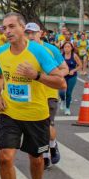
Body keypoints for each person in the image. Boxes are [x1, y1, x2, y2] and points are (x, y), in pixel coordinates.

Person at [0, 13, 65, 179]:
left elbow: (60, 82)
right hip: (9, 113)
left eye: (12, 26)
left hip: (36, 115)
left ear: (23, 28)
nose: (7, 31)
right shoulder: (2, 53)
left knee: (36, 159)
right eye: (4, 28)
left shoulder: (39, 52)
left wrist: (36, 76)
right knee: (5, 157)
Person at [26, 25, 67, 169]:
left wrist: (53, 76)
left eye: (34, 33)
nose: (31, 36)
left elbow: (65, 68)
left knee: (47, 124)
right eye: (28, 33)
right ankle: (48, 150)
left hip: (49, 92)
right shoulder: (22, 50)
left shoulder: (51, 49)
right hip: (30, 94)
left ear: (41, 33)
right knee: (37, 127)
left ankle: (49, 149)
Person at [58, 41, 83, 116]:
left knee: (68, 92)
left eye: (68, 47)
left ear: (71, 48)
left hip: (72, 76)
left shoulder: (74, 55)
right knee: (61, 92)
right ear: (63, 48)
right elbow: (56, 65)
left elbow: (80, 65)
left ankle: (67, 108)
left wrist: (73, 70)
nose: (67, 48)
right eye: (65, 47)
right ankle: (62, 100)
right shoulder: (60, 56)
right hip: (62, 76)